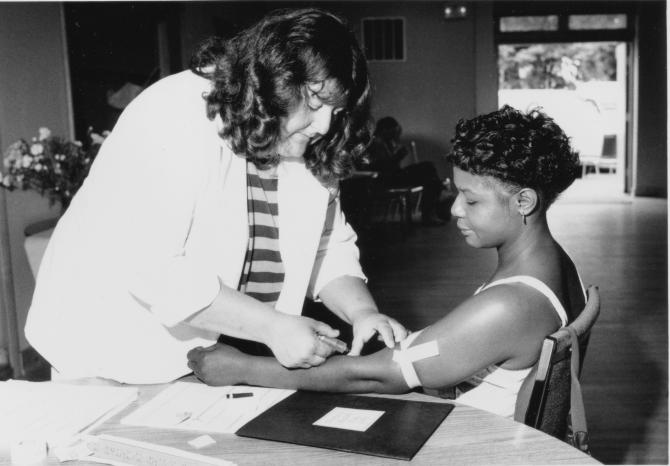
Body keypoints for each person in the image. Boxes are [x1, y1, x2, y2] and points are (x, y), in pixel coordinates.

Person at [24, 8, 407, 384]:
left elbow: (327, 247)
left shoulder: (303, 141)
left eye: (336, 111)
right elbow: (152, 267)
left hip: (213, 349)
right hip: (107, 339)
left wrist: (362, 313)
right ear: (275, 77)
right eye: (315, 101)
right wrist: (273, 327)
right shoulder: (174, 113)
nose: (325, 125)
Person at [187, 105, 586, 419]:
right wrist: (416, 344)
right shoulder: (559, 265)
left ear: (524, 201)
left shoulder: (509, 304)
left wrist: (241, 367)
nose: (454, 211)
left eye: (472, 200)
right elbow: (461, 349)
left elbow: (379, 373)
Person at [363, 116, 448, 225]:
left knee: (429, 172)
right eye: (393, 132)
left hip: (392, 177)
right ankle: (429, 212)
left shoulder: (385, 141)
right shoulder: (377, 143)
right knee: (428, 169)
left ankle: (431, 210)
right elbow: (383, 168)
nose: (395, 135)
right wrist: (398, 156)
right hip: (386, 180)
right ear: (385, 130)